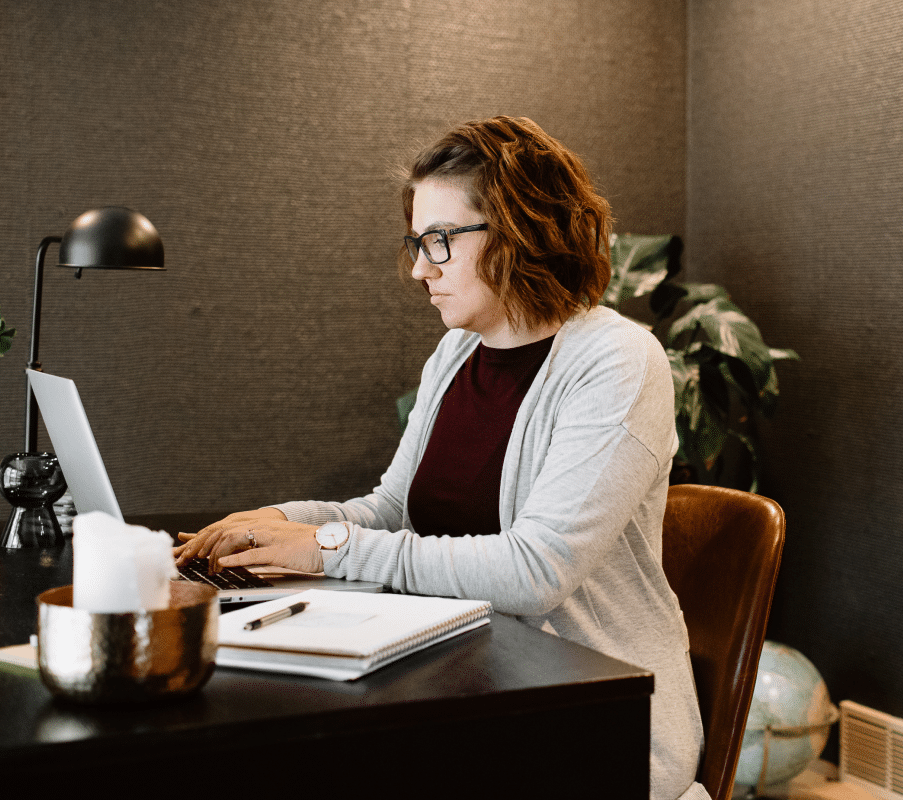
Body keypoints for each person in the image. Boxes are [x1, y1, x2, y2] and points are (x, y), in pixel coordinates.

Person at [175, 116, 709, 800]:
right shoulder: (457, 352)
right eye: (416, 242)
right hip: (467, 677)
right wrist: (274, 525)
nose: (420, 268)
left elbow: (535, 572)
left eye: (440, 242)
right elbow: (394, 510)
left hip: (595, 716)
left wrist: (327, 547)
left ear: (522, 230)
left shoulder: (617, 360)